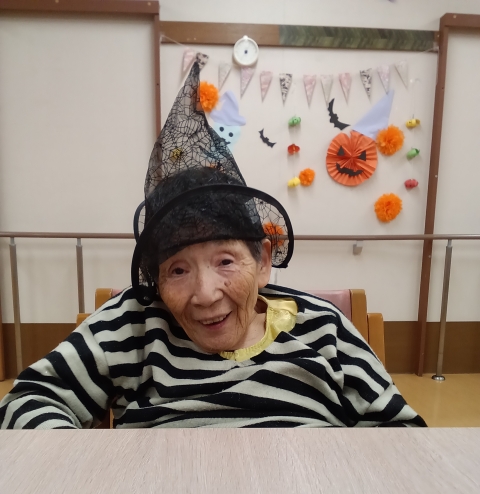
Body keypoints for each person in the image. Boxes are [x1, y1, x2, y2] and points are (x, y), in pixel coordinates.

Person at [0, 64, 426, 429]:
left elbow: (402, 436)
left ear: (263, 261)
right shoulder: (134, 324)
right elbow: (28, 402)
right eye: (177, 270)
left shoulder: (323, 328)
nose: (205, 295)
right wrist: (99, 476)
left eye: (225, 260)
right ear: (156, 279)